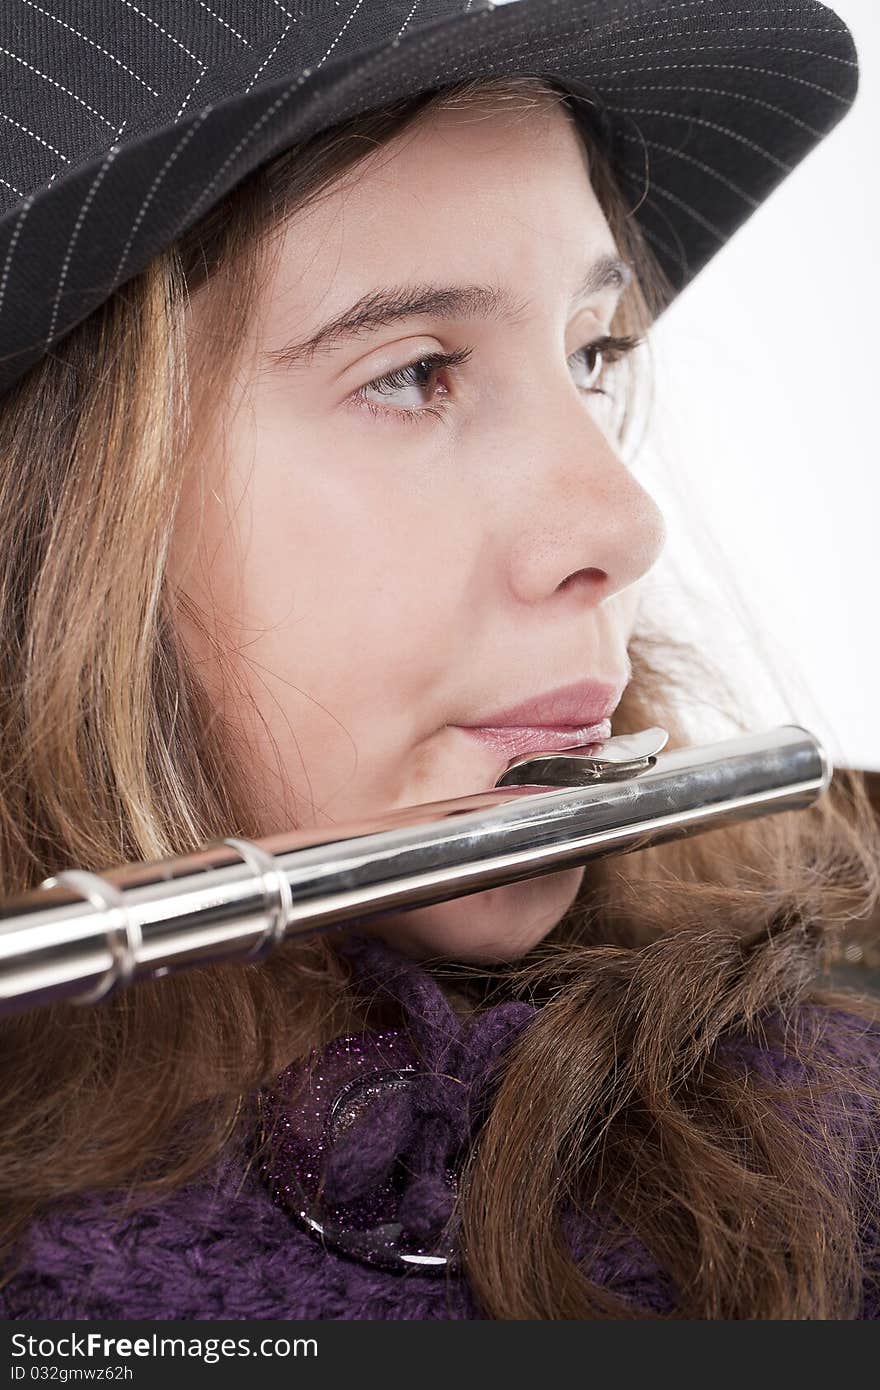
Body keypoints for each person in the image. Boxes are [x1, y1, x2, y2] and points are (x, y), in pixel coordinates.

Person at [0, 1, 877, 1320]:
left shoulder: (827, 1125)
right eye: (414, 374)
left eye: (593, 355)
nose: (619, 524)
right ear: (63, 519)